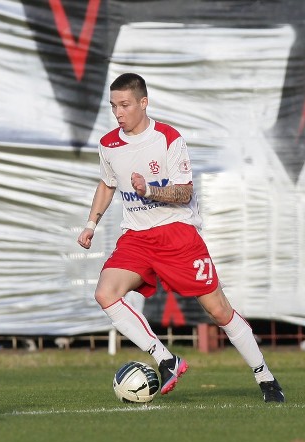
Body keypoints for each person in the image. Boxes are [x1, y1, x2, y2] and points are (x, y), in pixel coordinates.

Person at [77, 73, 284, 402]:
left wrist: (151, 190)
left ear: (143, 103)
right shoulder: (108, 145)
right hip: (137, 237)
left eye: (125, 105)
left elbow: (185, 191)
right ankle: (166, 359)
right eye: (114, 106)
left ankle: (265, 377)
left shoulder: (168, 138)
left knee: (219, 311)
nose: (118, 112)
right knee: (105, 294)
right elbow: (107, 184)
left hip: (177, 234)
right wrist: (90, 224)